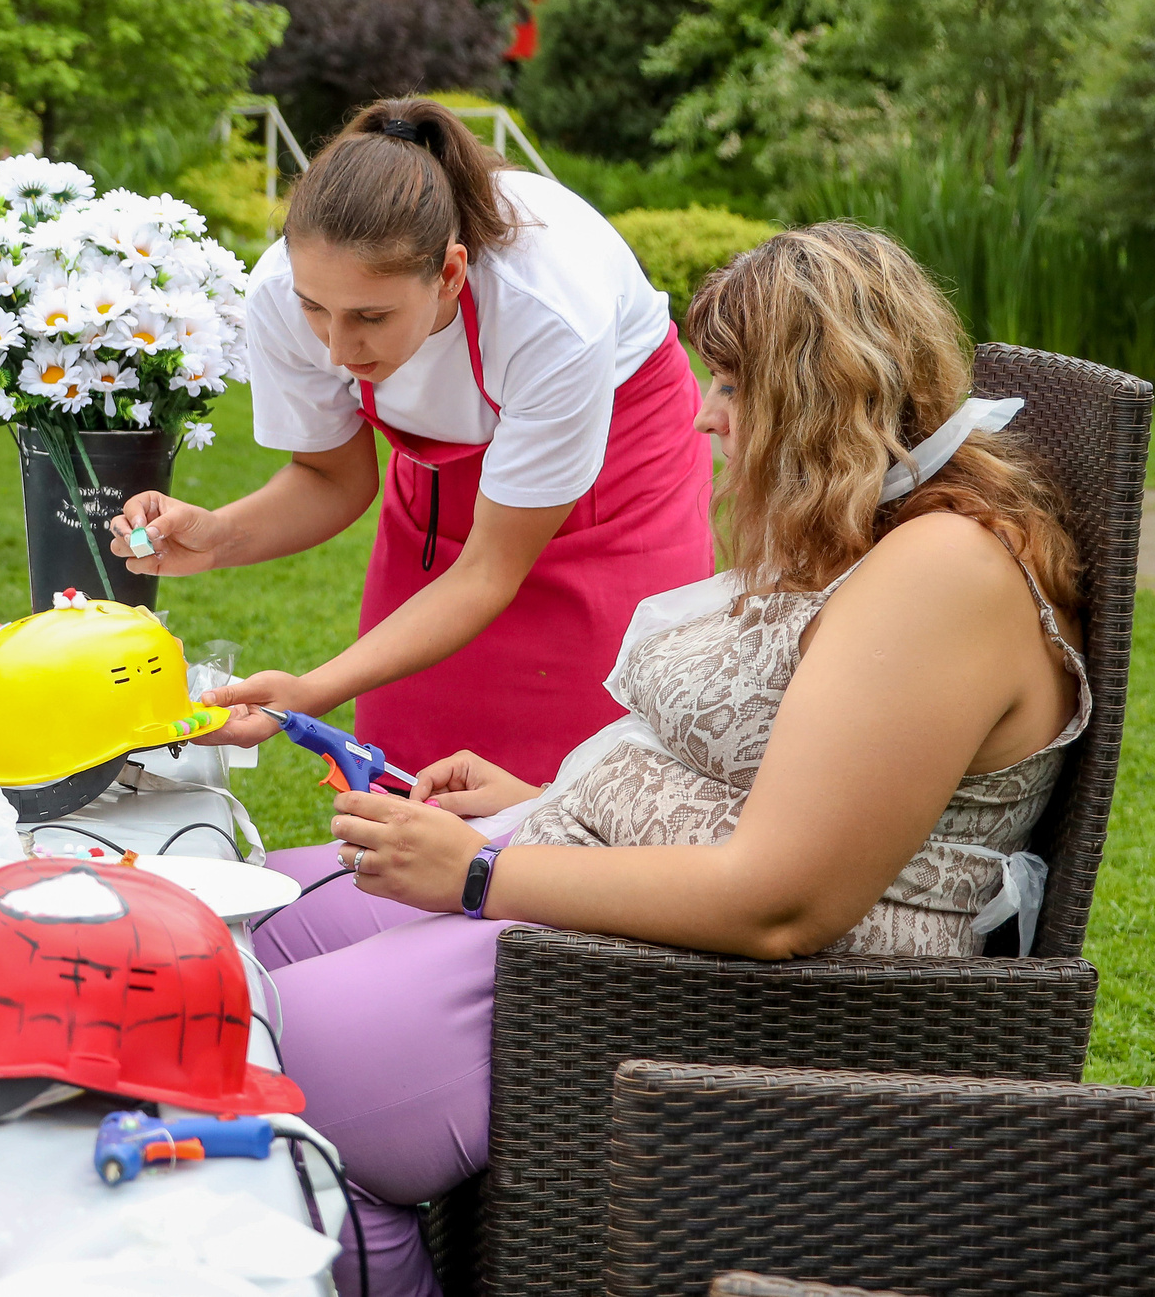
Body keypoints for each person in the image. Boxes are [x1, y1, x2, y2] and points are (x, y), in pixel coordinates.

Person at [249, 224, 1086, 1297]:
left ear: (816, 400)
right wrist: (554, 797)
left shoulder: (943, 575)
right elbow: (784, 767)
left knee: (288, 1071)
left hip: (760, 989)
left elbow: (785, 900)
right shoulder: (882, 524)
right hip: (616, 891)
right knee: (244, 924)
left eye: (731, 387)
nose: (701, 413)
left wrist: (475, 873)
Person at [111, 98, 713, 782]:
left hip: (616, 481)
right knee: (408, 761)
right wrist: (217, 534)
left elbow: (489, 570)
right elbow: (332, 477)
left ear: (451, 273)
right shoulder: (282, 290)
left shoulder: (550, 313)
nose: (338, 348)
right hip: (436, 484)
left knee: (590, 776)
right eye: (317, 309)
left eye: (370, 315)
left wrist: (313, 689)